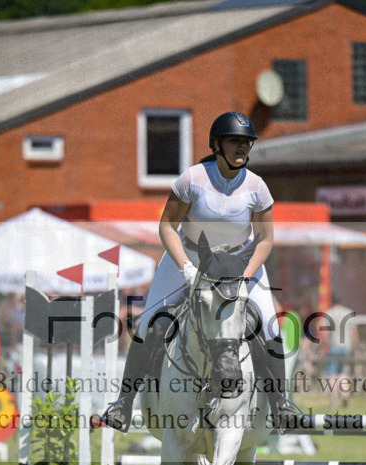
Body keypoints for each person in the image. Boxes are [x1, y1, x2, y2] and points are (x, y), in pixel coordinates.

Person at [98, 111, 300, 432]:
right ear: (216, 144)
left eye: (246, 142)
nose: (242, 147)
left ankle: (281, 404)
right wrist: (187, 268)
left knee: (270, 327)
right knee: (151, 323)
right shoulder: (192, 180)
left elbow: (265, 239)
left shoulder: (258, 188)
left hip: (240, 264)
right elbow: (166, 226)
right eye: (235, 141)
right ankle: (124, 402)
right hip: (188, 259)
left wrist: (246, 275)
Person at [323, 297, 357, 410]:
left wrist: (326, 344)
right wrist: (354, 348)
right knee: (344, 373)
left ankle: (333, 402)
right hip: (346, 347)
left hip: (333, 347)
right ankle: (345, 395)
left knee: (332, 374)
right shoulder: (348, 313)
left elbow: (325, 333)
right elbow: (354, 333)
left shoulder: (329, 313)